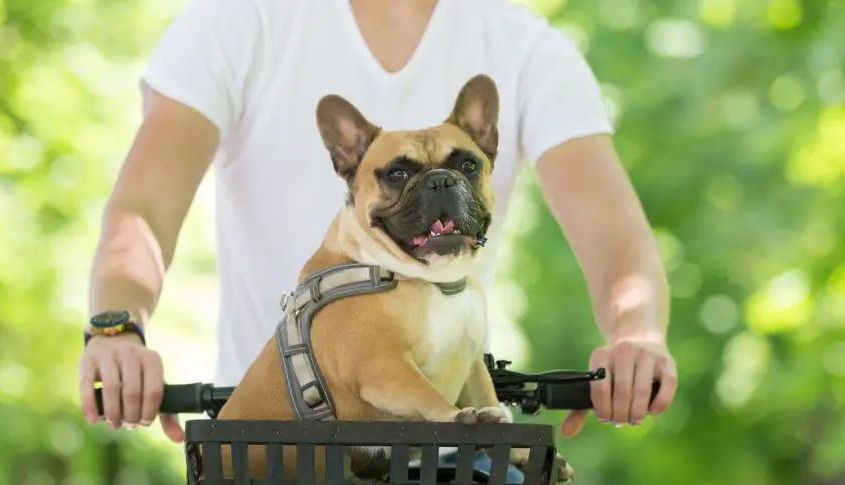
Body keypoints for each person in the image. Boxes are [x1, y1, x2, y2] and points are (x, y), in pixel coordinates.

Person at [79, 0, 679, 445]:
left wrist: (637, 335)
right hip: (270, 455)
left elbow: (614, 236)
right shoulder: (238, 23)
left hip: (451, 452)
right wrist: (117, 329)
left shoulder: (528, 49)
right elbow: (143, 213)